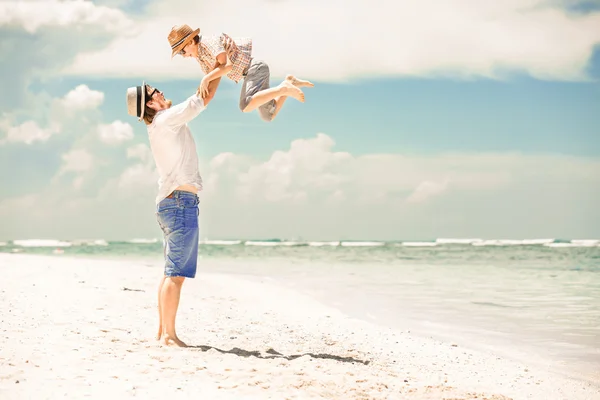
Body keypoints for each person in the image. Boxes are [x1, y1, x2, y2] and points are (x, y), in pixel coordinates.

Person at [125, 77, 221, 347]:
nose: (162, 92)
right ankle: (168, 335)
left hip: (172, 202)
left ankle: (162, 331)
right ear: (152, 104)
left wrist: (213, 72)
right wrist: (220, 69)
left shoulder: (159, 125)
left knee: (171, 272)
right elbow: (204, 98)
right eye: (156, 92)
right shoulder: (165, 119)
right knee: (176, 274)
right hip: (179, 202)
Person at [167, 24, 314, 122]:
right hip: (250, 75)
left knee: (245, 105)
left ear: (191, 42)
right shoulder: (201, 57)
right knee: (268, 116)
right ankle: (289, 82)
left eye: (182, 51)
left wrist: (206, 78)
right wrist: (200, 95)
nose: (184, 56)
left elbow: (227, 66)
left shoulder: (209, 42)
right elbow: (213, 79)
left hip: (255, 69)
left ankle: (284, 89)